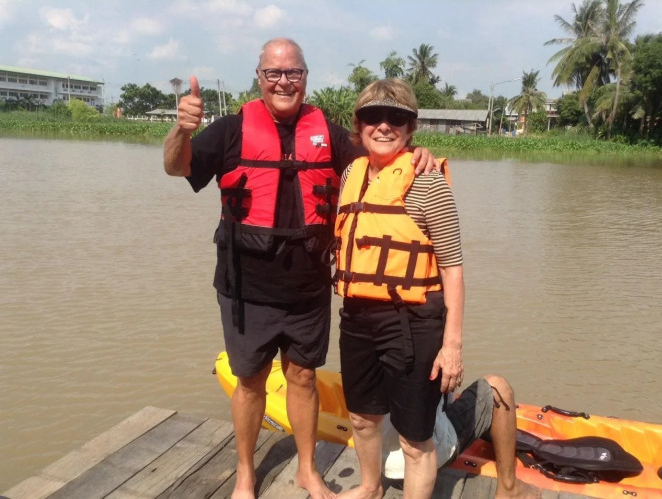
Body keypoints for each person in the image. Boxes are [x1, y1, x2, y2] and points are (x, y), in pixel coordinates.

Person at [163, 39, 437, 499]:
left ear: (305, 78)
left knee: (305, 377)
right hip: (245, 287)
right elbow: (177, 168)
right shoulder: (231, 129)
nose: (283, 81)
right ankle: (246, 474)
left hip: (308, 285)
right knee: (250, 382)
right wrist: (181, 130)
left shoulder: (328, 133)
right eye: (274, 73)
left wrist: (418, 152)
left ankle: (308, 470)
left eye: (293, 73)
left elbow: (380, 156)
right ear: (259, 77)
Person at [334, 79, 539, 499]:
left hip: (412, 323)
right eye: (373, 116)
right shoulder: (352, 174)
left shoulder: (428, 183)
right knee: (362, 419)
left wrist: (452, 347)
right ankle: (370, 487)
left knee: (415, 440)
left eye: (397, 117)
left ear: (411, 127)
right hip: (356, 317)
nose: (384, 126)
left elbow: (453, 269)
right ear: (358, 123)